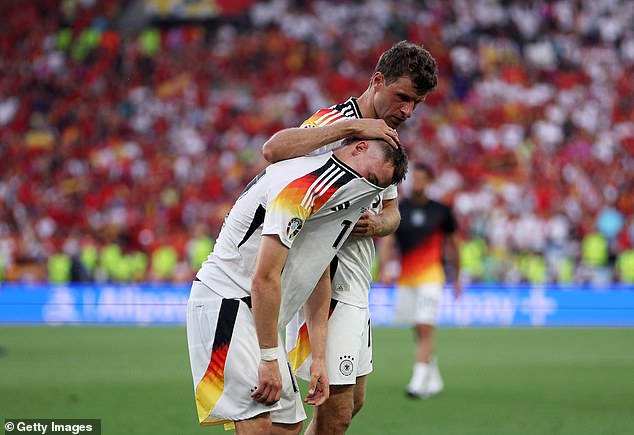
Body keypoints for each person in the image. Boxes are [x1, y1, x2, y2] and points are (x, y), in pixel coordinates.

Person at [262, 40, 438, 434]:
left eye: (417, 103)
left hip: (358, 284)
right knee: (334, 412)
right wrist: (352, 127)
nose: (408, 111)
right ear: (377, 81)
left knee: (352, 403)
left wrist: (378, 226)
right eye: (403, 97)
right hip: (327, 283)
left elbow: (391, 212)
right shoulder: (340, 122)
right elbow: (274, 149)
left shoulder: (387, 137)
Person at [186, 137, 408, 434]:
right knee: (259, 422)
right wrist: (268, 359)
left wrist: (318, 358)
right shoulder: (304, 185)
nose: (366, 189)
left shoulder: (340, 196)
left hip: (257, 314)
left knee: (287, 425)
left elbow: (319, 272)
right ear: (359, 148)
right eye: (369, 178)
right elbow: (263, 278)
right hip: (228, 302)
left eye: (374, 186)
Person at [379, 162, 462, 399]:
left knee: (425, 328)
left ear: (429, 182)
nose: (417, 182)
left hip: (431, 277)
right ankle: (433, 377)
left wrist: (456, 277)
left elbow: (454, 245)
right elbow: (388, 240)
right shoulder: (399, 208)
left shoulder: (441, 211)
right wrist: (384, 268)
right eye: (414, 178)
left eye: (422, 179)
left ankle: (417, 382)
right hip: (407, 280)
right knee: (418, 330)